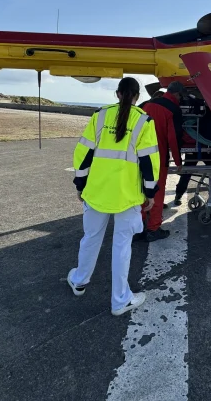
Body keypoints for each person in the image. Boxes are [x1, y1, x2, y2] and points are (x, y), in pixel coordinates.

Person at [67, 77, 160, 316]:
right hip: (127, 195)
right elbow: (149, 160)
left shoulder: (99, 116)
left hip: (97, 191)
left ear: (118, 94)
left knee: (91, 238)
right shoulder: (144, 121)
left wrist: (81, 183)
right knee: (122, 246)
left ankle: (79, 281)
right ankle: (120, 300)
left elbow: (83, 152)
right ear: (137, 96)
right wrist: (150, 191)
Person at [138, 81, 185, 241]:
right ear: (177, 94)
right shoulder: (173, 109)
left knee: (141, 192)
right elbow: (173, 138)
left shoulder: (148, 105)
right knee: (157, 193)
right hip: (158, 157)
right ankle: (153, 228)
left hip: (139, 155)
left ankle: (138, 227)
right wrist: (178, 162)